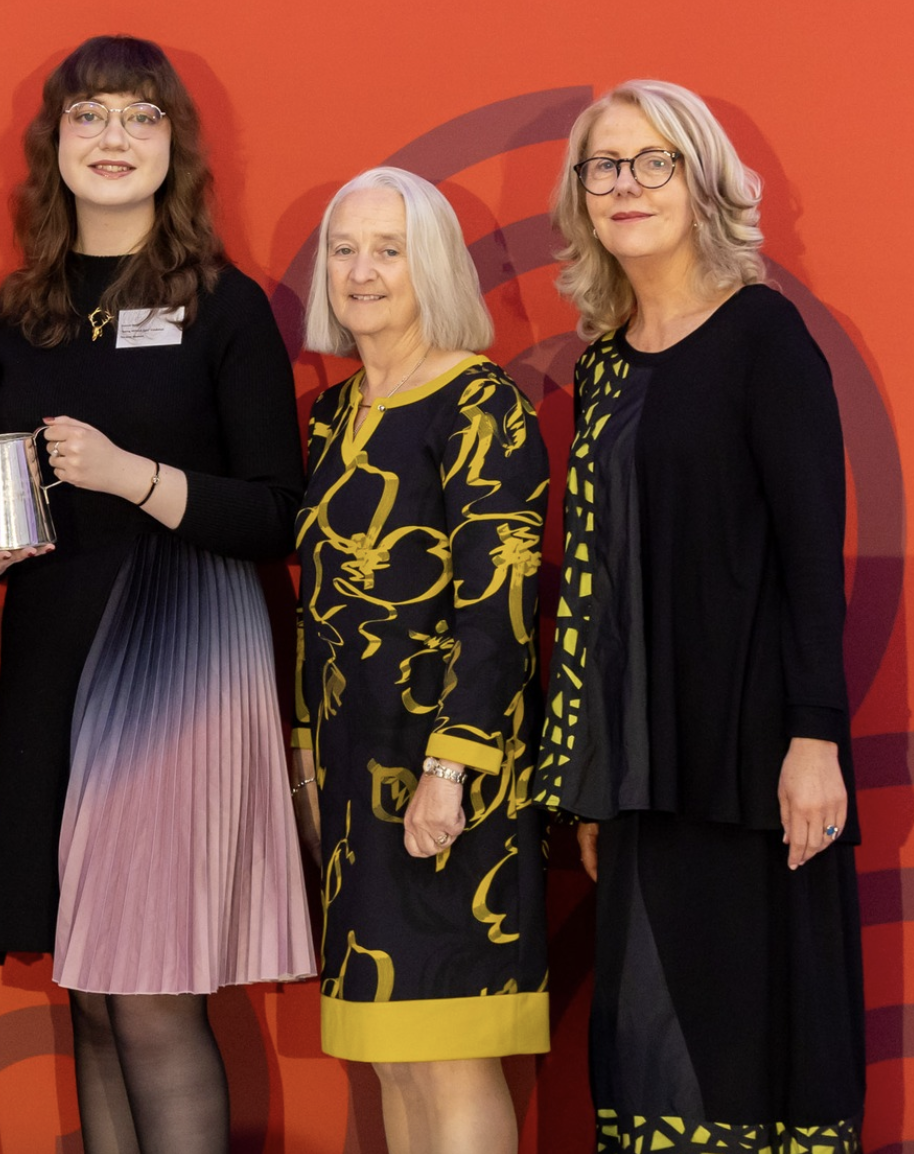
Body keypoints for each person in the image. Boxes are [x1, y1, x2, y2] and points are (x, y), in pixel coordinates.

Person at [0, 36, 315, 1152]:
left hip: (179, 656)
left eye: (139, 117)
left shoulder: (223, 307)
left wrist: (132, 477)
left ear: (175, 149)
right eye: (90, 115)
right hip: (53, 656)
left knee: (150, 989)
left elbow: (279, 512)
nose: (112, 138)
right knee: (95, 990)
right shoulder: (10, 313)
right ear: (52, 144)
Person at [537, 80, 864, 1150]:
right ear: (580, 196)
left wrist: (813, 739)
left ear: (701, 180)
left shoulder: (763, 334)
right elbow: (598, 587)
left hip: (750, 762)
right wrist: (591, 777)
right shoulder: (600, 365)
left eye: (653, 161)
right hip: (640, 774)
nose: (625, 185)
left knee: (744, 1045)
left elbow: (813, 555)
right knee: (647, 1053)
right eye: (603, 166)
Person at [292, 167, 550, 1154]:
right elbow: (317, 607)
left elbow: (500, 608)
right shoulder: (332, 416)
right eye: (344, 249)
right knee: (392, 1054)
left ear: (431, 265)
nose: (360, 271)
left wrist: (450, 767)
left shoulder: (479, 403)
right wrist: (307, 762)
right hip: (353, 777)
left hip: (451, 771)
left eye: (388, 250)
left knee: (449, 1052)